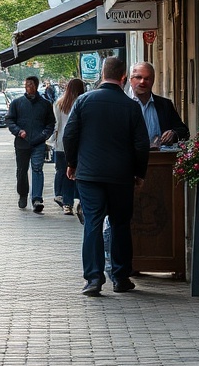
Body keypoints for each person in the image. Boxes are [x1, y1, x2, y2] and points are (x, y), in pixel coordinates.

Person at [63, 57, 149, 296]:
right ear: (123, 77)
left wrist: (72, 164)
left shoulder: (83, 101)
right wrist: (139, 173)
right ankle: (121, 277)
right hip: (121, 176)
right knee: (121, 225)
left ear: (102, 74)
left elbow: (69, 135)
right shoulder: (131, 106)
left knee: (93, 223)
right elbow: (141, 144)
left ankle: (93, 279)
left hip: (89, 175)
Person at [6, 76, 56, 212]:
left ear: (36, 86)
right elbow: (10, 120)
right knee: (21, 170)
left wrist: (44, 135)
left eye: (31, 84)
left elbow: (51, 123)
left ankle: (37, 199)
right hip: (22, 142)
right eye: (26, 84)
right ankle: (23, 194)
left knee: (37, 168)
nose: (28, 87)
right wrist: (18, 131)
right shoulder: (17, 103)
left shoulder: (45, 104)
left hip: (38, 142)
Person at [128, 61, 190, 146]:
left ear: (153, 81)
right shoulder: (121, 105)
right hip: (131, 158)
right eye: (138, 77)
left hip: (159, 157)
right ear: (130, 80)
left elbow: (184, 131)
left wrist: (174, 134)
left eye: (147, 78)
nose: (142, 81)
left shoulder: (165, 105)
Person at [54, 78, 87, 219]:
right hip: (80, 144)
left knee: (66, 174)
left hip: (62, 144)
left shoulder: (60, 103)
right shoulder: (84, 102)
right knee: (80, 174)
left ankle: (67, 204)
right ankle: (81, 201)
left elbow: (56, 125)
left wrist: (52, 143)